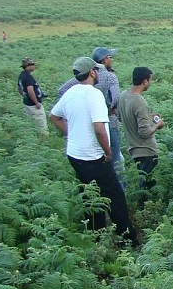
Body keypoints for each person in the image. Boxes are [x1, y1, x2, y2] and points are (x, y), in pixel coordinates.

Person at [50, 57, 138, 247]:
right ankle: (127, 241)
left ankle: (95, 238)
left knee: (90, 195)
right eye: (96, 71)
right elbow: (99, 128)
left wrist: (71, 133)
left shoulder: (71, 92)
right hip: (93, 156)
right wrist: (107, 153)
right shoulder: (94, 95)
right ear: (92, 72)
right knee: (115, 197)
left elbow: (54, 116)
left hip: (74, 155)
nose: (97, 73)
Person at [58, 47, 124, 177]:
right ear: (105, 60)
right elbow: (115, 98)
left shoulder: (81, 77)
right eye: (111, 57)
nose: (112, 60)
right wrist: (110, 109)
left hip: (85, 127)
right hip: (108, 124)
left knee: (93, 160)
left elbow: (61, 90)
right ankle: (118, 189)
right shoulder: (110, 77)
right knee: (115, 162)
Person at [117, 67, 165, 193]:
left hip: (132, 147)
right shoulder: (140, 102)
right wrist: (157, 124)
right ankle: (146, 209)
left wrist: (147, 117)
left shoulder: (123, 95)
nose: (150, 83)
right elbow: (144, 133)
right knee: (148, 186)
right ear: (145, 81)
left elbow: (121, 117)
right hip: (146, 150)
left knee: (142, 180)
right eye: (150, 80)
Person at [17, 57, 49, 135]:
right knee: (41, 124)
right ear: (28, 66)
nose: (34, 66)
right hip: (33, 104)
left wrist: (25, 97)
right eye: (33, 64)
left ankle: (36, 137)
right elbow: (30, 91)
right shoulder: (28, 77)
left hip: (27, 103)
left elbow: (19, 89)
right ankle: (43, 139)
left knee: (33, 122)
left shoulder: (22, 75)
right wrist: (36, 102)